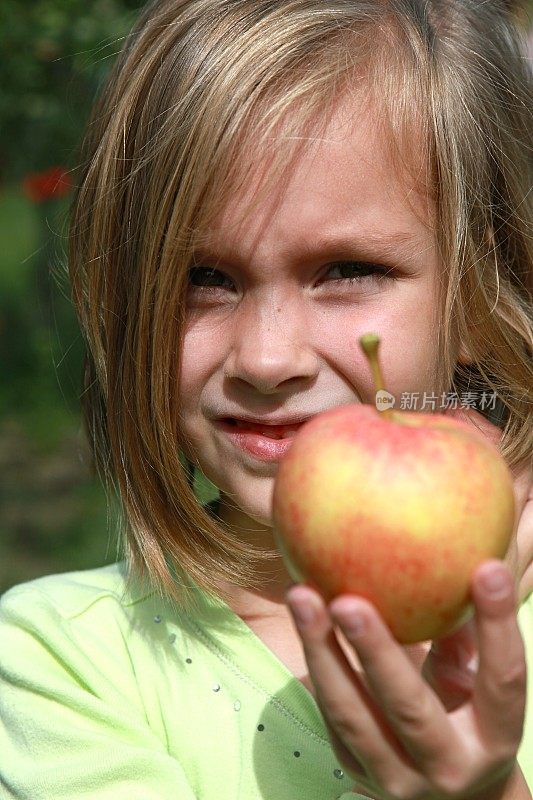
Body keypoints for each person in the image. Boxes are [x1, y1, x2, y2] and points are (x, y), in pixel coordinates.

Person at [1, 0, 532, 797]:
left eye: (348, 269)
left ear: (477, 297)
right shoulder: (55, 662)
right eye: (203, 279)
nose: (266, 356)